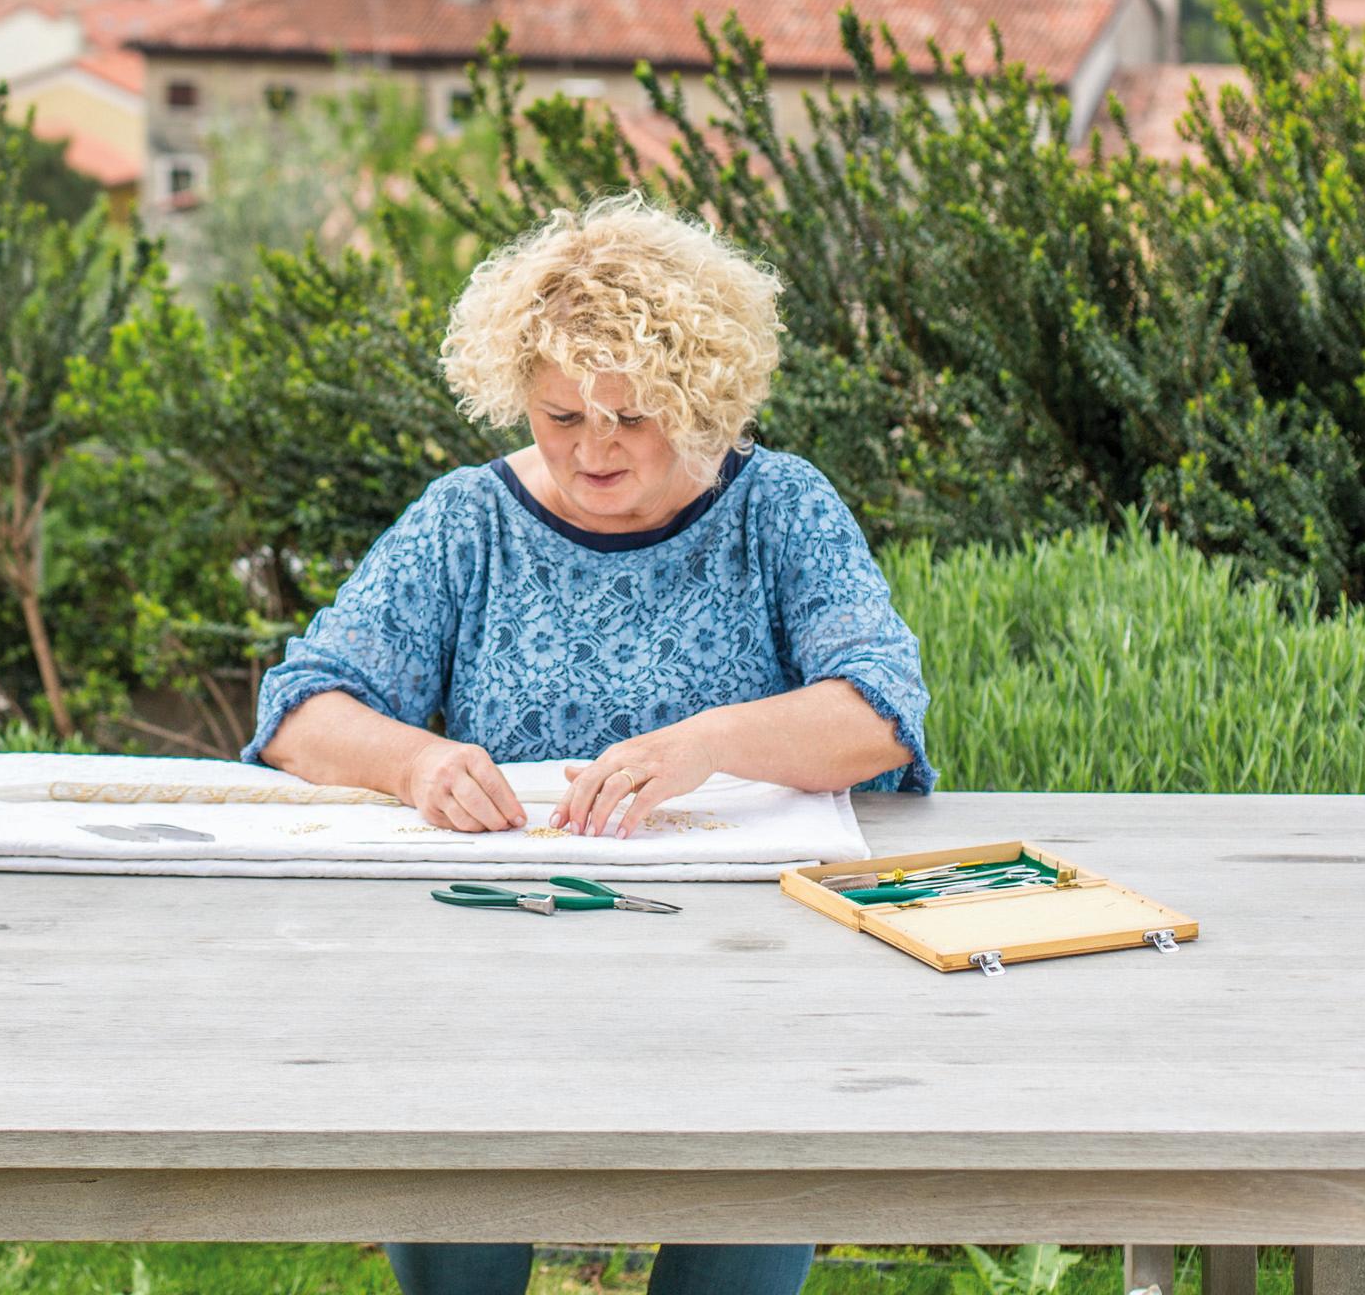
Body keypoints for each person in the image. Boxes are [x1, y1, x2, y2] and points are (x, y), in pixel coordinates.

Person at [246, 196, 931, 1295]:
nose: (592, 448)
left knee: (738, 1242)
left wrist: (713, 740)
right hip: (495, 966)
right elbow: (302, 708)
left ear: (703, 396)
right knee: (459, 1247)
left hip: (744, 975)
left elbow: (883, 710)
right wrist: (414, 760)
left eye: (632, 416)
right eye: (561, 415)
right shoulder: (466, 518)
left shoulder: (782, 509)